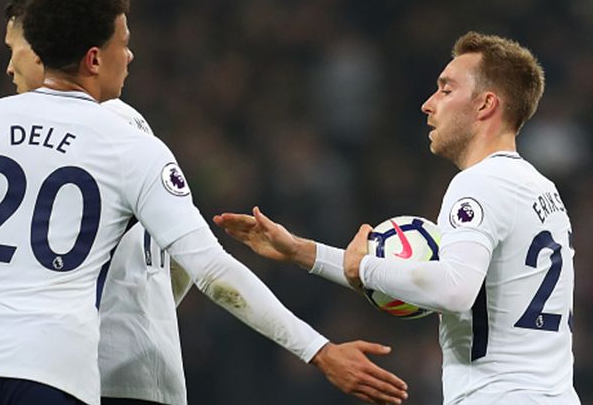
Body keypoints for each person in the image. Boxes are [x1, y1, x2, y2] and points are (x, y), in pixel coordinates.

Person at [0, 0, 408, 405]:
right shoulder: (130, 145)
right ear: (94, 58)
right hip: (57, 372)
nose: (131, 56)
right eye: (123, 44)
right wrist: (318, 350)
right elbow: (214, 274)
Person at [214, 31, 579, 404]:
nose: (428, 103)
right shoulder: (538, 188)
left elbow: (453, 288)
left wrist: (366, 268)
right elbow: (416, 273)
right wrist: (301, 251)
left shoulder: (477, 183)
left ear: (486, 105)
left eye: (446, 90)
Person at [4, 0, 192, 404]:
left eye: (14, 48)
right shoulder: (133, 124)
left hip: (89, 372)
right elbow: (183, 258)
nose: (9, 65)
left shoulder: (62, 141)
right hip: (148, 363)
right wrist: (151, 305)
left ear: (41, 52)